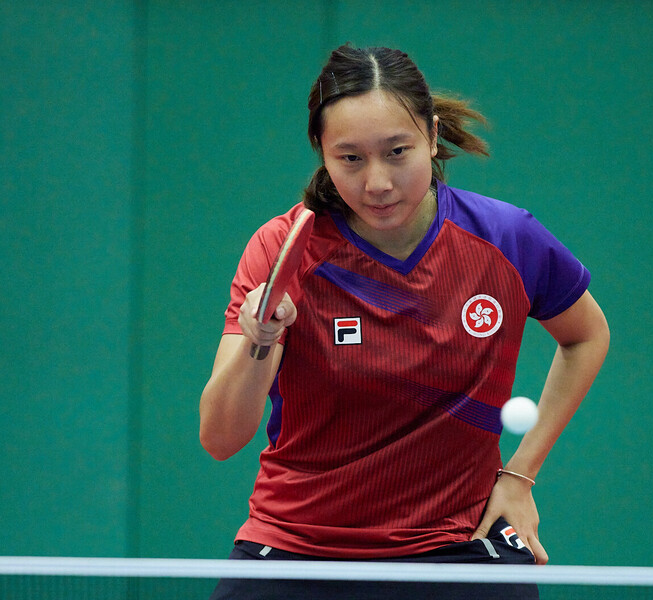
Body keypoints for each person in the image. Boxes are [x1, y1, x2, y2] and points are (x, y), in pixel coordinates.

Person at [200, 44, 609, 600]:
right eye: (350, 159)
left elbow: (586, 335)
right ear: (320, 150)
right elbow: (221, 438)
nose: (378, 183)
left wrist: (520, 475)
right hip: (300, 548)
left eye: (397, 151)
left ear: (432, 137)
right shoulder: (285, 250)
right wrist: (260, 339)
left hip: (458, 544)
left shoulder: (505, 238)